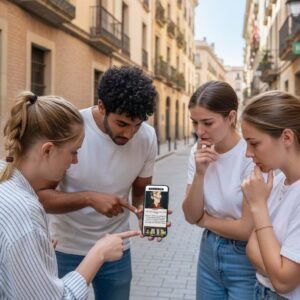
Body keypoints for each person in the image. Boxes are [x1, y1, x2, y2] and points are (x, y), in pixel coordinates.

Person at [0, 91, 139, 299]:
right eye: (74, 151)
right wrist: (99, 253)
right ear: (47, 150)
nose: (75, 161)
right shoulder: (24, 212)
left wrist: (36, 252)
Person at [38, 65, 160, 300]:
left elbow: (140, 192)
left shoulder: (148, 137)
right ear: (101, 106)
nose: (130, 134)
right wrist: (89, 198)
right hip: (66, 250)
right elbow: (41, 196)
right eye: (122, 124)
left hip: (116, 248)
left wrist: (144, 211)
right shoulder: (71, 129)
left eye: (137, 124)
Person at [182, 80, 256, 299]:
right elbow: (190, 214)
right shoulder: (197, 151)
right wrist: (199, 173)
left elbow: (245, 228)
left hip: (244, 256)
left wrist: (203, 221)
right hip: (208, 251)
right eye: (194, 123)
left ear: (231, 117)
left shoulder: (250, 154)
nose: (199, 131)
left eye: (207, 123)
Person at [241, 91, 300, 300]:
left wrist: (258, 206)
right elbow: (250, 249)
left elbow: (283, 281)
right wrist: (275, 264)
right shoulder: (277, 182)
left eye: (254, 143)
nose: (248, 153)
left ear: (286, 137)